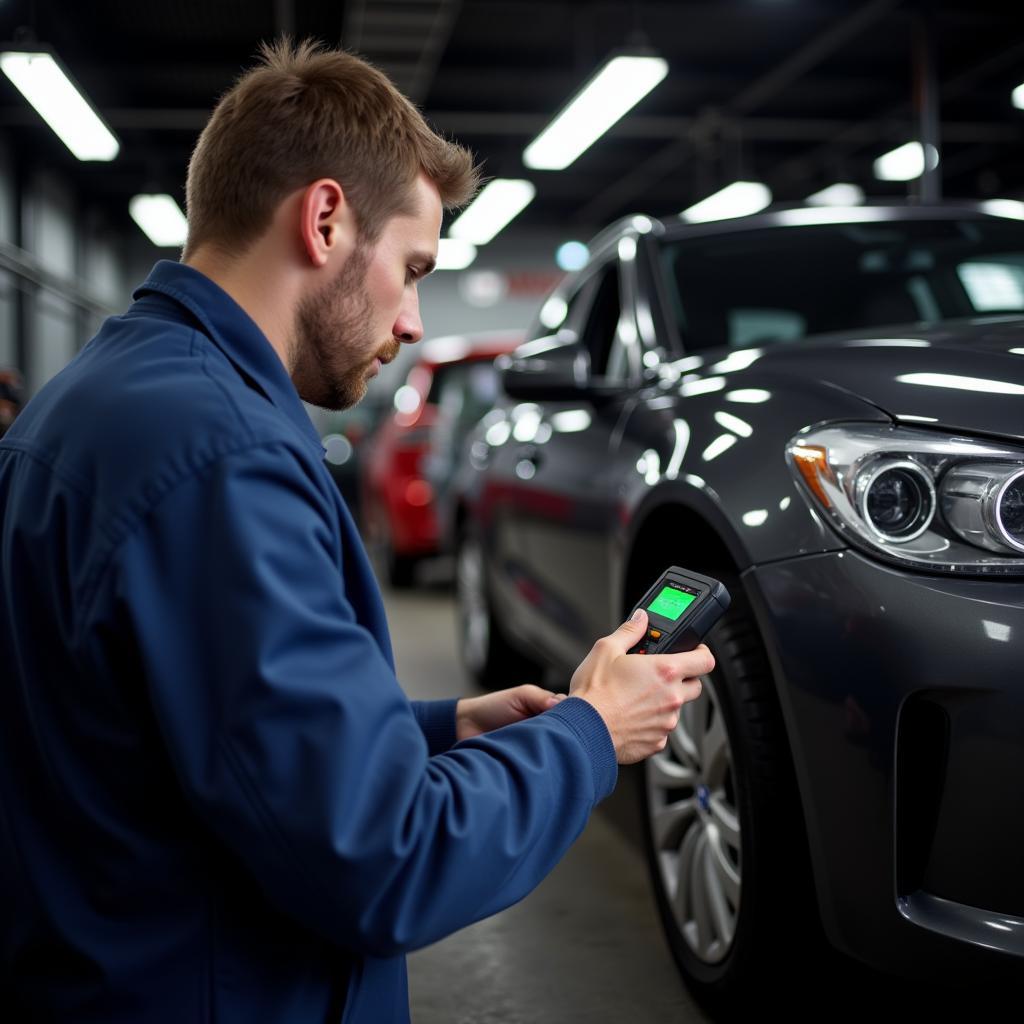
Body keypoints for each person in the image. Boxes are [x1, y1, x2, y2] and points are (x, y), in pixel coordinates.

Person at [0, 40, 712, 1023]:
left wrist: (434, 731)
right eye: (414, 268)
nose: (415, 318)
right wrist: (592, 732)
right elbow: (385, 860)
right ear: (327, 218)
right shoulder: (223, 459)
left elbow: (185, 731)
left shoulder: (95, 398)